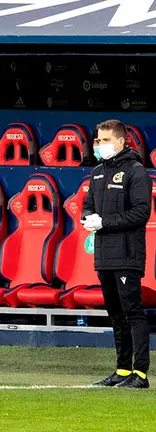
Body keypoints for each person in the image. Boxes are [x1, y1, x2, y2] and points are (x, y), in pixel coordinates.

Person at [84, 119, 151, 389]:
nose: (100, 145)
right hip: (104, 254)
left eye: (105, 140)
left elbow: (141, 212)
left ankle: (141, 374)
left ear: (121, 142)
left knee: (133, 312)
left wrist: (105, 223)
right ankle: (122, 370)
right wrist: (88, 218)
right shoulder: (98, 171)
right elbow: (88, 205)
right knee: (115, 314)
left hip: (127, 253)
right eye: (98, 140)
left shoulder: (136, 171)